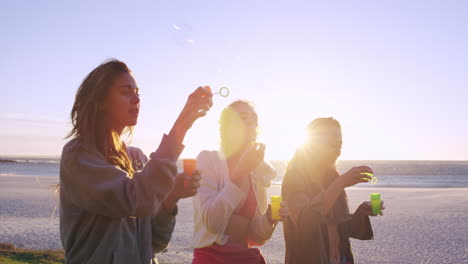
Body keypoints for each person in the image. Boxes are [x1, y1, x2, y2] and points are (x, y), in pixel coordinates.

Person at [59, 59, 212, 264]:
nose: (136, 99)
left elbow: (153, 244)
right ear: (100, 101)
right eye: (125, 92)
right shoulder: (78, 155)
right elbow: (132, 200)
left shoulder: (137, 158)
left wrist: (171, 196)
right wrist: (181, 126)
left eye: (137, 92)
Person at [191, 100, 289, 264]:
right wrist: (239, 175)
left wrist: (270, 218)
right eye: (244, 117)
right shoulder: (208, 160)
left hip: (246, 257)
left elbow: (256, 236)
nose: (251, 123)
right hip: (211, 258)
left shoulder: (257, 171)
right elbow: (212, 223)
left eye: (254, 119)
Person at [281, 117, 385, 264]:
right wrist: (340, 183)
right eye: (331, 144)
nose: (337, 152)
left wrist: (360, 212)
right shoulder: (296, 178)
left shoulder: (330, 178)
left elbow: (339, 228)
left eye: (339, 145)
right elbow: (304, 222)